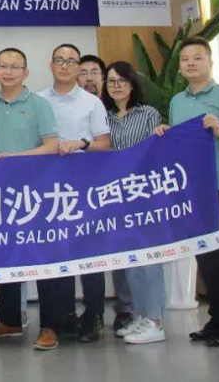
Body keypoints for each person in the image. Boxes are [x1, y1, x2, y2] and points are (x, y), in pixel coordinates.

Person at [156, 37, 219, 347]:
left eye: (197, 58)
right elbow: (180, 143)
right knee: (207, 255)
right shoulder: (177, 101)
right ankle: (218, 321)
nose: (190, 63)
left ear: (210, 62)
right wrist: (166, 134)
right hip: (194, 189)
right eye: (185, 59)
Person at [0, 48, 59, 349]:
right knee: (8, 257)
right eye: (3, 66)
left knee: (43, 261)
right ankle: (9, 320)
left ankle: (50, 326)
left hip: (36, 192)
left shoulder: (39, 104)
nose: (8, 72)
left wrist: (16, 157)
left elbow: (51, 146)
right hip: (0, 194)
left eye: (15, 67)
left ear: (26, 72)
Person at [37, 44, 111, 347]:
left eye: (71, 61)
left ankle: (93, 316)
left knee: (88, 254)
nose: (65, 65)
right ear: (51, 65)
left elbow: (104, 144)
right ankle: (58, 319)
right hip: (45, 188)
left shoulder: (92, 102)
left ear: (78, 66)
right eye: (59, 60)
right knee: (51, 254)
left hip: (85, 187)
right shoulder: (38, 100)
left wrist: (81, 143)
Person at [102, 61, 167, 344]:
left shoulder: (149, 114)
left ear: (132, 84)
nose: (116, 86)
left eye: (122, 81)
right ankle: (141, 316)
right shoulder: (103, 118)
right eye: (111, 81)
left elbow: (158, 150)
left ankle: (156, 320)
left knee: (149, 259)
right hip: (117, 196)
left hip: (144, 194)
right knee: (130, 260)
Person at [79, 53, 134, 333]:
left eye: (95, 72)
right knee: (90, 252)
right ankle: (93, 312)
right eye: (83, 72)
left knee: (123, 250)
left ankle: (126, 309)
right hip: (87, 189)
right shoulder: (78, 108)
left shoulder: (117, 112)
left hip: (121, 190)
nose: (89, 78)